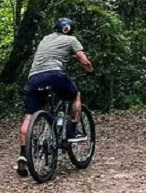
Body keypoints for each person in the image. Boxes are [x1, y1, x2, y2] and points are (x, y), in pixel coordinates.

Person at [16, 17, 94, 177]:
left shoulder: (45, 39)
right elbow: (82, 58)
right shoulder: (72, 39)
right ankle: (72, 131)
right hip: (56, 75)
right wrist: (90, 70)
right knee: (75, 95)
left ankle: (23, 154)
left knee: (29, 116)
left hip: (34, 78)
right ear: (71, 29)